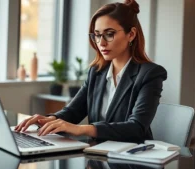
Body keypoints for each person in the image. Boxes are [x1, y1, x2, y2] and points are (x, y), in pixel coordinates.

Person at [15, 0, 167, 143]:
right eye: (97, 35)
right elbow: (73, 112)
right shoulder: (96, 72)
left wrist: (82, 129)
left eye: (109, 34)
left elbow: (137, 128)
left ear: (131, 34)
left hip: (131, 158)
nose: (101, 42)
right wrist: (48, 119)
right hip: (97, 155)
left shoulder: (150, 74)